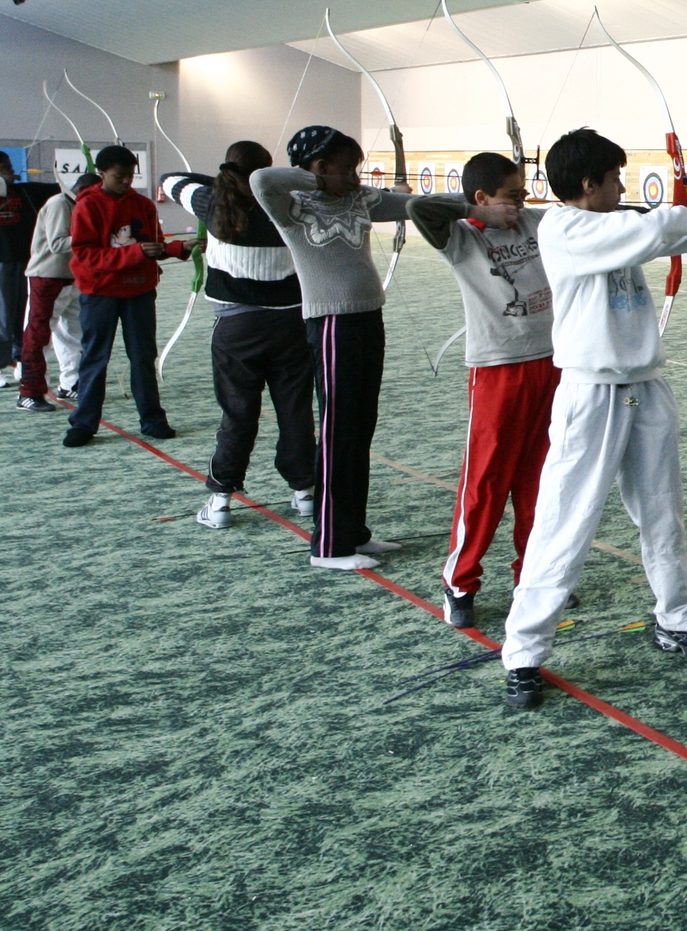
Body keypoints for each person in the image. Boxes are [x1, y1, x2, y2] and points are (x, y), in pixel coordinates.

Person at [500, 128, 687, 710]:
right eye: (614, 179)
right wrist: (685, 214)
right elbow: (653, 227)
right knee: (565, 519)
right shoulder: (565, 228)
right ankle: (524, 652)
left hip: (645, 390)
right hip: (590, 396)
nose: (622, 187)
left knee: (664, 514)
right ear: (589, 184)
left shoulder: (620, 226)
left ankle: (677, 619)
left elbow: (667, 233)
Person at [251, 126, 412, 570]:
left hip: (366, 318)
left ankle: (353, 533)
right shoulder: (292, 204)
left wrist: (477, 203)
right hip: (331, 323)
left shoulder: (356, 198)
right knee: (339, 430)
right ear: (320, 166)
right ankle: (329, 547)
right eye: (347, 168)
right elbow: (261, 180)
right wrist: (319, 180)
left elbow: (414, 205)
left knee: (360, 429)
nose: (355, 177)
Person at [406, 152, 548, 626]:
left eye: (523, 193)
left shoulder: (534, 222)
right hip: (497, 369)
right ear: (483, 198)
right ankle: (460, 581)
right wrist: (480, 213)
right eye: (511, 196)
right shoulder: (461, 235)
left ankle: (532, 577)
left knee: (541, 482)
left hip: (551, 363)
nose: (521, 203)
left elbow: (598, 216)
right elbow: (418, 209)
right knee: (486, 480)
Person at [161, 143, 317, 530]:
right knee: (295, 411)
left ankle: (220, 501)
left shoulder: (210, 203)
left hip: (238, 330)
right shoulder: (289, 203)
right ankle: (305, 493)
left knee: (238, 413)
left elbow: (169, 181)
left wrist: (221, 181)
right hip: (291, 326)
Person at [65, 144, 189, 447]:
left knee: (144, 357)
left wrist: (180, 248)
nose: (125, 182)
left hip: (139, 292)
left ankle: (152, 419)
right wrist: (134, 253)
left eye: (130, 176)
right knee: (95, 358)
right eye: (119, 176)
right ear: (102, 173)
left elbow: (154, 245)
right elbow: (85, 255)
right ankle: (84, 423)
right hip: (101, 293)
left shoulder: (144, 205)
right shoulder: (88, 205)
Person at [0, 150, 61, 389]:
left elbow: (62, 190)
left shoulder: (25, 190)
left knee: (26, 315)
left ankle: (22, 361)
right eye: (3, 166)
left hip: (30, 262)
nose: (10, 170)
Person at [16, 171, 95, 411]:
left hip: (71, 278)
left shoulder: (78, 204)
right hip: (47, 277)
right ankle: (29, 392)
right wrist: (96, 236)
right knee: (38, 335)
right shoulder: (60, 203)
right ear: (84, 189)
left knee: (72, 332)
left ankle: (70, 383)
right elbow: (58, 243)